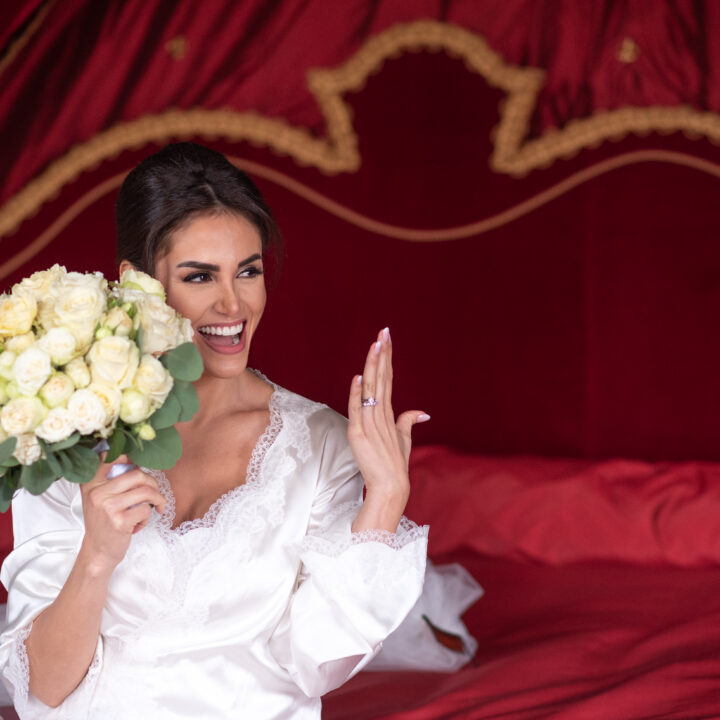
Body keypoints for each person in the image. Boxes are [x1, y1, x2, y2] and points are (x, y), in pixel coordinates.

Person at [0, 143, 430, 719]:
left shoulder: (322, 444)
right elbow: (44, 686)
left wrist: (386, 498)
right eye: (200, 276)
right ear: (137, 283)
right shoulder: (74, 432)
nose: (234, 303)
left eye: (248, 271)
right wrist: (97, 557)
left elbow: (315, 665)